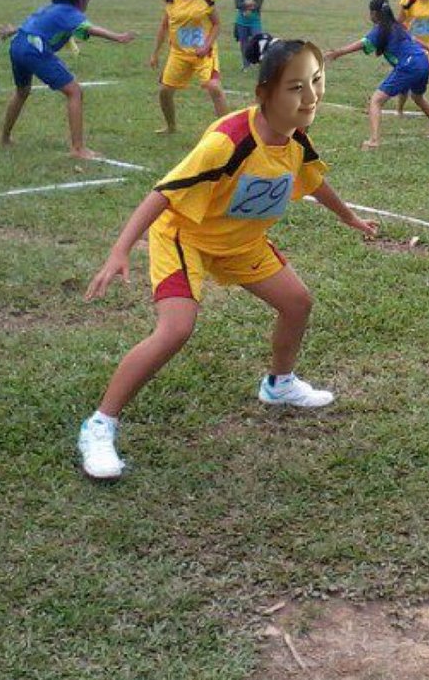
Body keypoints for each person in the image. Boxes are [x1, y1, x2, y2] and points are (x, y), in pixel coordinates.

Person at [77, 35, 379, 480]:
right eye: (295, 87)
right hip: (186, 236)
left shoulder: (297, 140)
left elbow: (312, 182)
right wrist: (120, 251)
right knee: (176, 329)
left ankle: (278, 385)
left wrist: (350, 218)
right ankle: (99, 425)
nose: (308, 96)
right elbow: (162, 194)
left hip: (240, 244)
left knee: (297, 303)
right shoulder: (227, 141)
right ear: (265, 94)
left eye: (314, 83)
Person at [0, 0, 134, 159]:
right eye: (87, 0)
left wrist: (10, 31)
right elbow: (89, 29)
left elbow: (30, 24)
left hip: (18, 45)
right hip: (34, 49)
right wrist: (117, 37)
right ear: (79, 0)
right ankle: (78, 149)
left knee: (22, 91)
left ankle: (4, 138)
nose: (87, 5)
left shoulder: (51, 8)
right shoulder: (69, 12)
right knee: (74, 91)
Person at [324, 0, 429, 149]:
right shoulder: (397, 26)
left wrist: (337, 53)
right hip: (423, 61)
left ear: (374, 14)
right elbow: (413, 40)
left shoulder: (380, 30)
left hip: (409, 65)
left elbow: (361, 45)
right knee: (418, 97)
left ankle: (374, 140)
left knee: (376, 101)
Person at [150, 0, 230, 133]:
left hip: (203, 54)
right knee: (165, 91)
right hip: (179, 54)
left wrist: (206, 46)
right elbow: (164, 26)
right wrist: (155, 53)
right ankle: (171, 127)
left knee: (214, 87)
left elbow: (216, 25)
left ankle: (227, 132)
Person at [233, 0, 266, 70]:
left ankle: (259, 60)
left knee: (258, 40)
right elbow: (237, 4)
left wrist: (249, 6)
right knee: (244, 42)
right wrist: (246, 5)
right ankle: (246, 64)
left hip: (254, 20)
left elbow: (258, 5)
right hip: (241, 20)